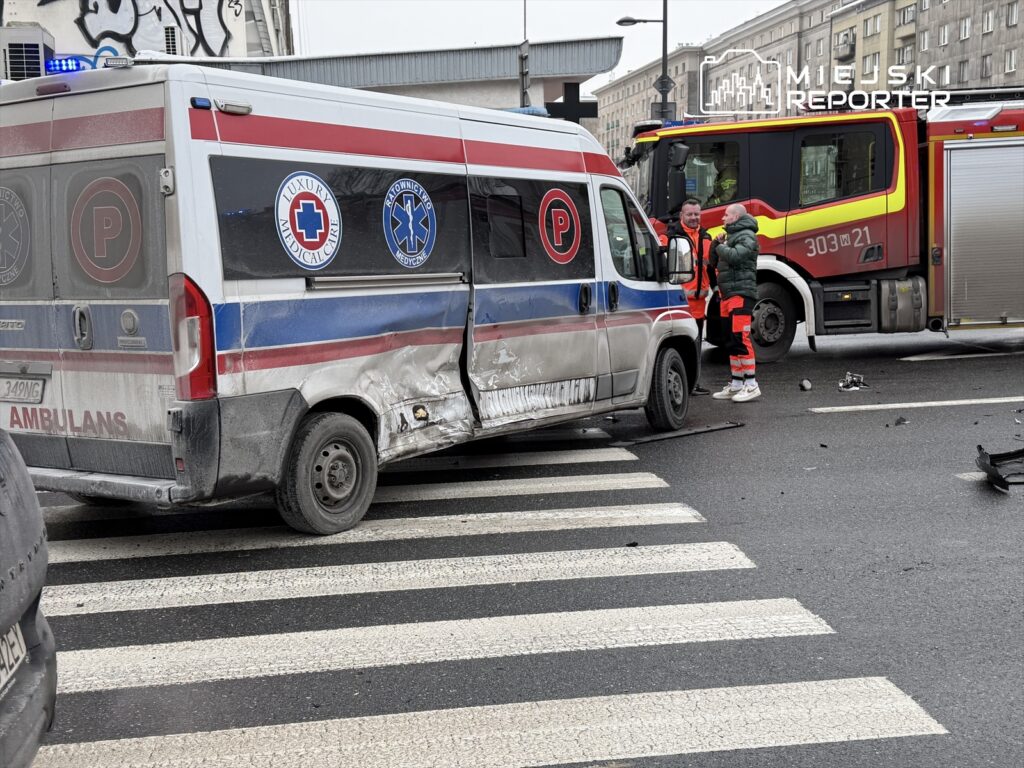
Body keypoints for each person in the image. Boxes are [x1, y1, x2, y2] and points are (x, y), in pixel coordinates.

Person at [710, 203, 760, 402]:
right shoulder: (731, 237)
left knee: (740, 337)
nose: (723, 218)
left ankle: (751, 384)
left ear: (736, 217)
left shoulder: (747, 235)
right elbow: (714, 262)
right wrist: (716, 246)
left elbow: (736, 256)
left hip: (740, 293)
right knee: (730, 340)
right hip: (727, 295)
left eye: (726, 215)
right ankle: (737, 383)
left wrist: (721, 246)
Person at [674, 198, 714, 395]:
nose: (693, 218)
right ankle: (684, 385)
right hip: (679, 304)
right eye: (689, 214)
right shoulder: (672, 237)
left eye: (696, 214)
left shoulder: (706, 238)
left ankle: (694, 384)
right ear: (682, 215)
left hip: (699, 305)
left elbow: (712, 267)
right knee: (681, 348)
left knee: (695, 348)